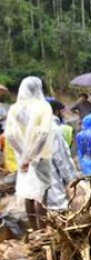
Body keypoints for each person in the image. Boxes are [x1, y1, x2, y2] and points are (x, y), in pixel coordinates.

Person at [5, 76, 55, 229]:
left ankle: (33, 228)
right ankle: (44, 229)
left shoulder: (14, 109)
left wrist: (24, 156)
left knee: (28, 193)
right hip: (41, 156)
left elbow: (10, 135)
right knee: (42, 192)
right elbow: (43, 134)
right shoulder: (44, 107)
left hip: (23, 159)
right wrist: (33, 156)